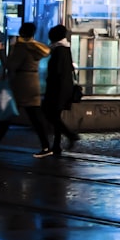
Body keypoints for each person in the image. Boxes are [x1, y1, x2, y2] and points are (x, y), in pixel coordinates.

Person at [0, 21, 52, 157]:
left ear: (21, 32)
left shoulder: (21, 47)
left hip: (20, 85)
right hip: (32, 84)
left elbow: (11, 65)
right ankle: (46, 147)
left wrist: (1, 53)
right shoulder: (35, 47)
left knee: (7, 116)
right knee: (35, 118)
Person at [42, 24, 80, 156]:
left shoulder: (58, 50)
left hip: (57, 89)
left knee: (50, 115)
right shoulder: (65, 49)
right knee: (55, 116)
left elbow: (56, 72)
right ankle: (57, 145)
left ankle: (70, 135)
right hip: (64, 88)